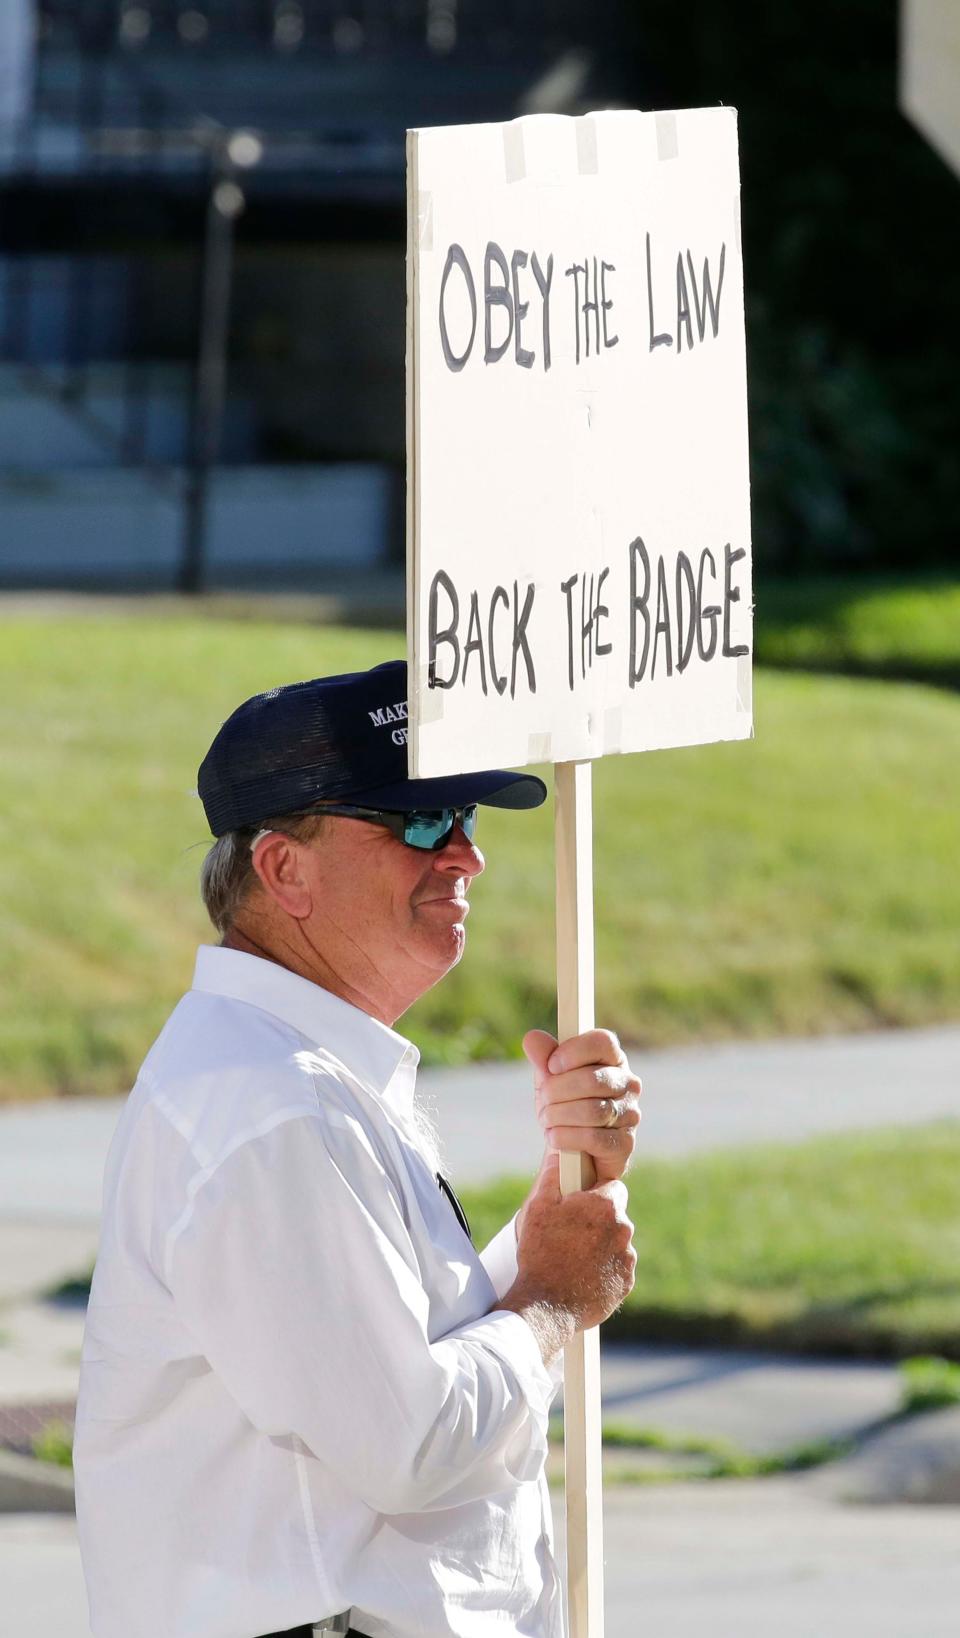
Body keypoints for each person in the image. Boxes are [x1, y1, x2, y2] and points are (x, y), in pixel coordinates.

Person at [73, 659, 640, 1638]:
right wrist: (552, 1298)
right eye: (421, 823)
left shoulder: (299, 1072)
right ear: (284, 870)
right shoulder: (276, 1109)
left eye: (466, 821)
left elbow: (409, 1353)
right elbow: (409, 1443)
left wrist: (555, 1216)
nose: (466, 858)